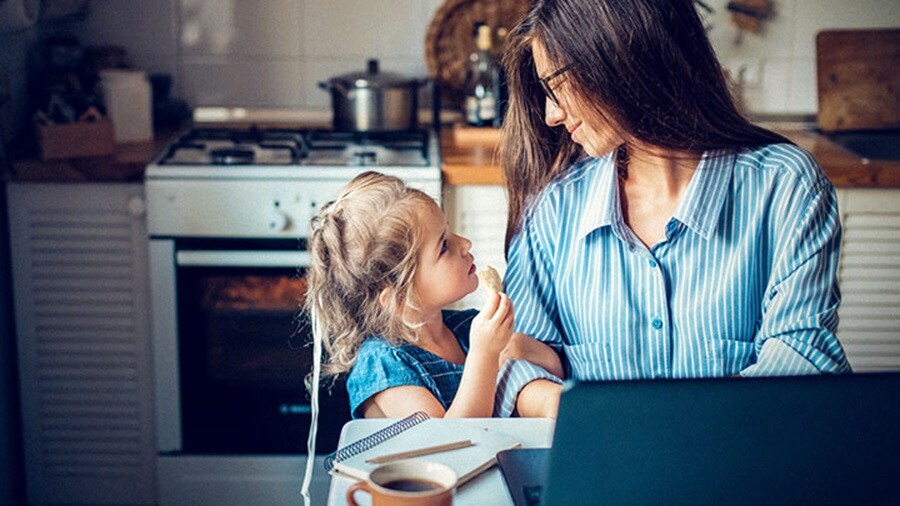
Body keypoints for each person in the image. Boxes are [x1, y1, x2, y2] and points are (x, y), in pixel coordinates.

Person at [494, 0, 852, 419]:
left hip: (744, 470)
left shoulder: (786, 186)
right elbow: (516, 364)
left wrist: (642, 423)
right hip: (598, 469)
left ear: (620, 58)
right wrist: (607, 421)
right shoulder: (552, 207)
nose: (552, 115)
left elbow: (802, 361)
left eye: (558, 86)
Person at [305, 170, 531, 419]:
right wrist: (485, 354)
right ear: (399, 297)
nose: (465, 243)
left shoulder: (468, 328)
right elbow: (448, 446)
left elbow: (548, 365)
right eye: (443, 246)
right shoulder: (384, 365)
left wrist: (519, 346)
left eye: (449, 230)